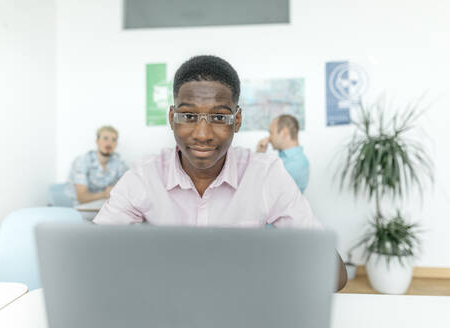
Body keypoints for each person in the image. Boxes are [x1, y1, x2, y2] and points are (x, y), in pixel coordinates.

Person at [93, 55, 347, 290]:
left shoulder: (266, 175)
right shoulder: (144, 176)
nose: (202, 135)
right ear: (172, 118)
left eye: (219, 118)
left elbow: (334, 275)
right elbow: (92, 259)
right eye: (189, 115)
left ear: (237, 121)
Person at [66, 126, 128, 205]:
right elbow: (82, 197)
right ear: (97, 141)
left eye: (114, 140)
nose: (109, 143)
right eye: (105, 138)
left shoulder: (119, 163)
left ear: (116, 144)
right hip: (82, 208)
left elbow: (127, 191)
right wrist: (105, 194)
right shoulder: (82, 161)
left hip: (106, 206)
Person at [256, 115, 310, 192]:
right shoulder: (285, 159)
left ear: (284, 133)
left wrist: (259, 155)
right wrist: (260, 154)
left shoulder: (296, 163)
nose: (269, 138)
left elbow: (259, 184)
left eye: (271, 132)